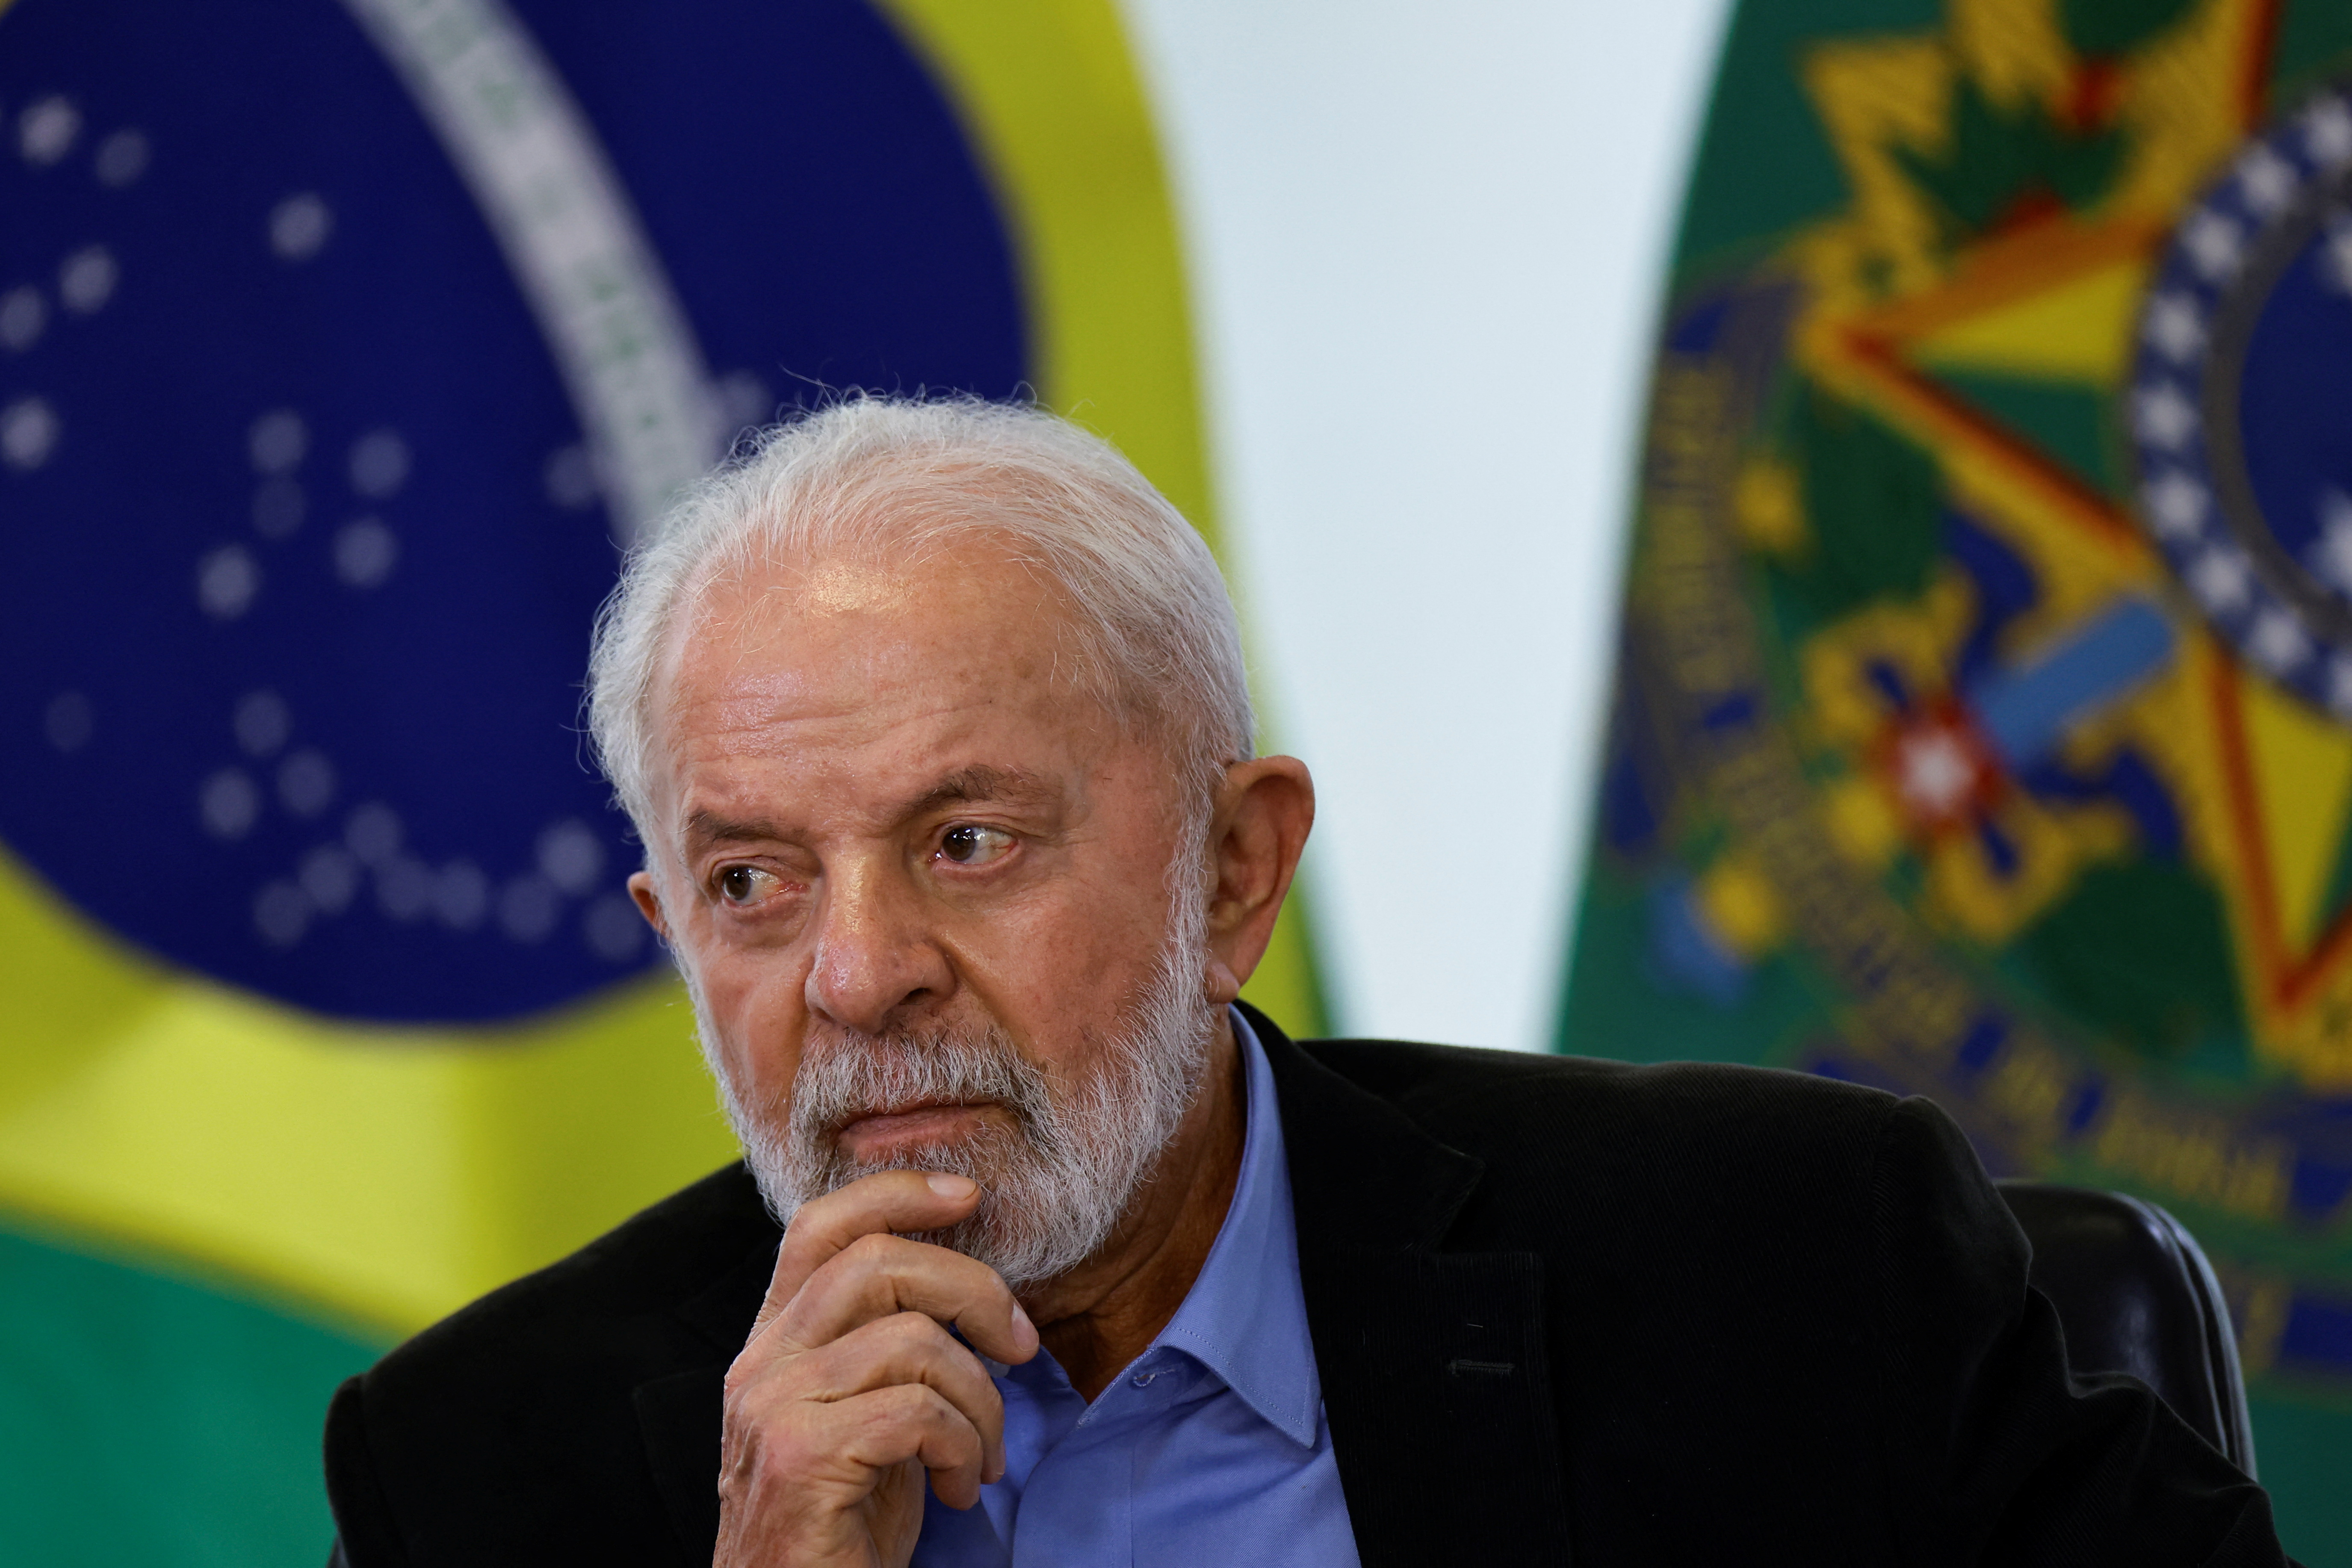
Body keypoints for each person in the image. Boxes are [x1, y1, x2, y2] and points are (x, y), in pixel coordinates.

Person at [322, 396, 2289, 1568]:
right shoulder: (488, 1467)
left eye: (968, 840)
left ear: (1233, 868)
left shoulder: (1781, 1262)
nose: (857, 972)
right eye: (753, 880)